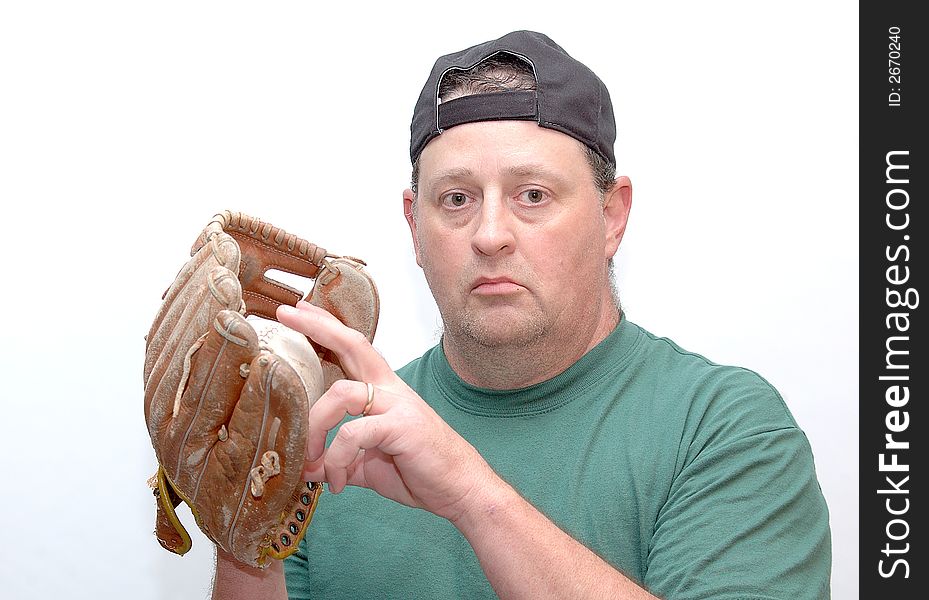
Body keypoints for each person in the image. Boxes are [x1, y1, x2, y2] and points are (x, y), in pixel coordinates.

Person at [212, 30, 831, 599]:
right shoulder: (328, 430)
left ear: (613, 216)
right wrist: (240, 531)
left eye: (532, 195)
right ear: (414, 227)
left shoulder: (724, 430)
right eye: (456, 200)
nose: (489, 235)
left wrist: (471, 492)